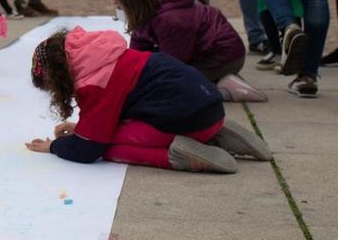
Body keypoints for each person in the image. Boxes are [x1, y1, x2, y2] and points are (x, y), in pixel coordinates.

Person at [24, 27, 270, 171]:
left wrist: (53, 147)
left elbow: (88, 149)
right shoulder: (104, 57)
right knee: (108, 134)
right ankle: (218, 132)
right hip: (209, 106)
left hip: (190, 119)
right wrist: (82, 128)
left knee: (108, 148)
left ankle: (179, 156)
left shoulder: (94, 83)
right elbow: (114, 112)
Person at [109, 0, 265, 102]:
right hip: (201, 53)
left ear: (134, 2)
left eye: (119, 5)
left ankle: (226, 91)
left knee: (166, 90)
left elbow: (173, 65)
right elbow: (139, 50)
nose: (118, 10)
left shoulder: (171, 19)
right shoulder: (148, 11)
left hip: (224, 57)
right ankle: (216, 80)